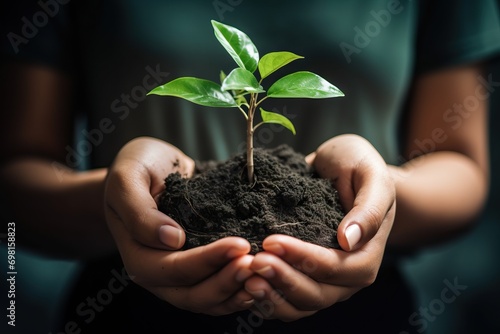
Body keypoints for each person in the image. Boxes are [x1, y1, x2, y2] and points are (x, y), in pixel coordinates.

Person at [1, 0, 499, 333]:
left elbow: (460, 167)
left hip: (361, 309)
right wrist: (120, 195)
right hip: (129, 307)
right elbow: (16, 180)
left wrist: (379, 188)